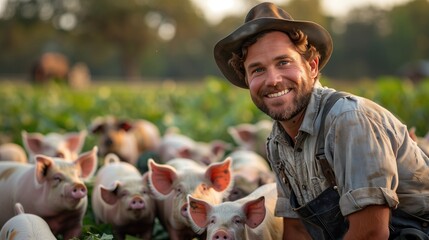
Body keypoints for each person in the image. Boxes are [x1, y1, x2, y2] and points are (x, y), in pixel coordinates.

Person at [214, 2, 429, 239]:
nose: (273, 80)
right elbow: (297, 231)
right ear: (247, 80)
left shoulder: (348, 120)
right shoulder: (277, 143)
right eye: (257, 70)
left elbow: (370, 233)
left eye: (283, 62)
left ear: (312, 66)